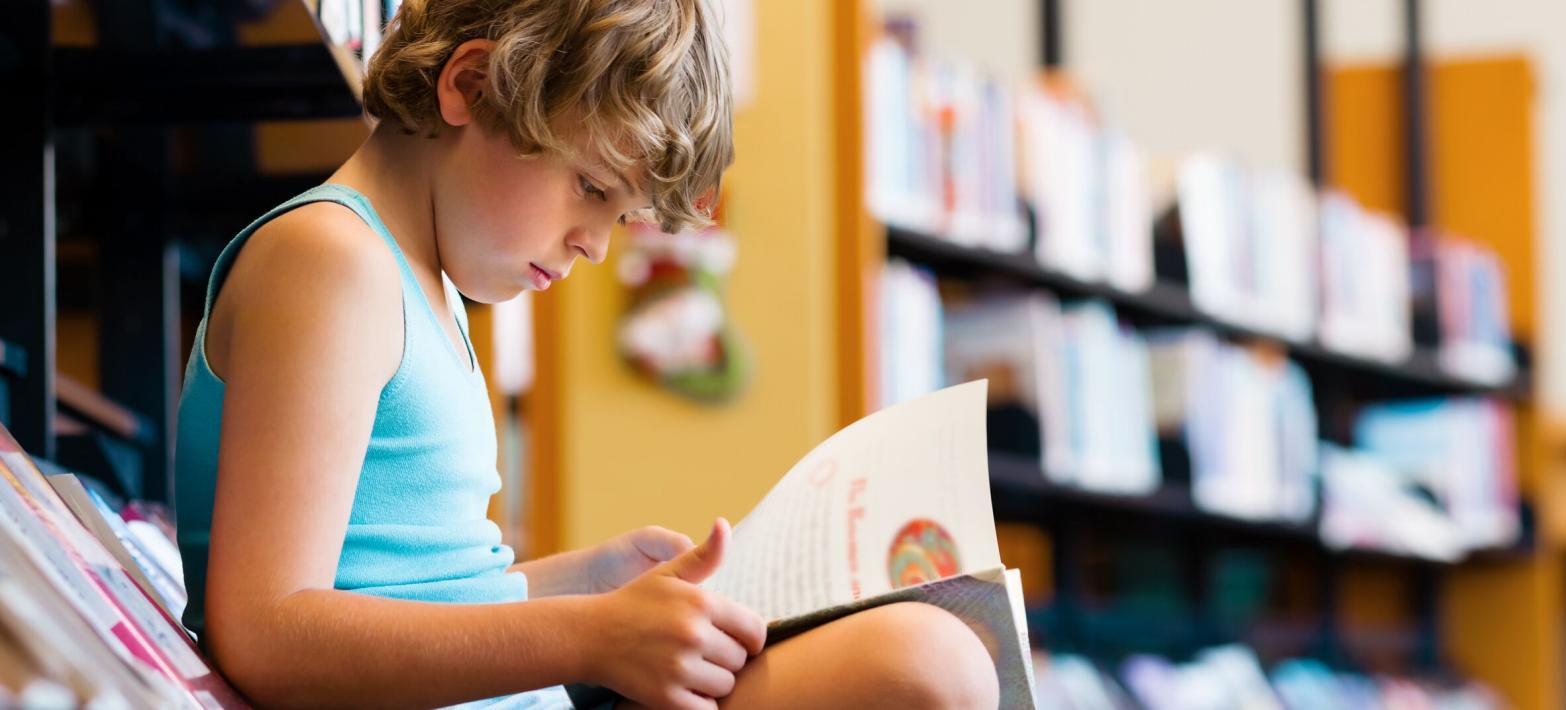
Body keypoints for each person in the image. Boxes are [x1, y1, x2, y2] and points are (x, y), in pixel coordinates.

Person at [172, 0, 1000, 707]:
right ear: (471, 86)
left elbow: (413, 590)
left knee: (935, 658)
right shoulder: (332, 260)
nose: (596, 247)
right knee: (926, 666)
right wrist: (587, 637)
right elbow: (266, 633)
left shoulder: (417, 284)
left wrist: (588, 580)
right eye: (593, 189)